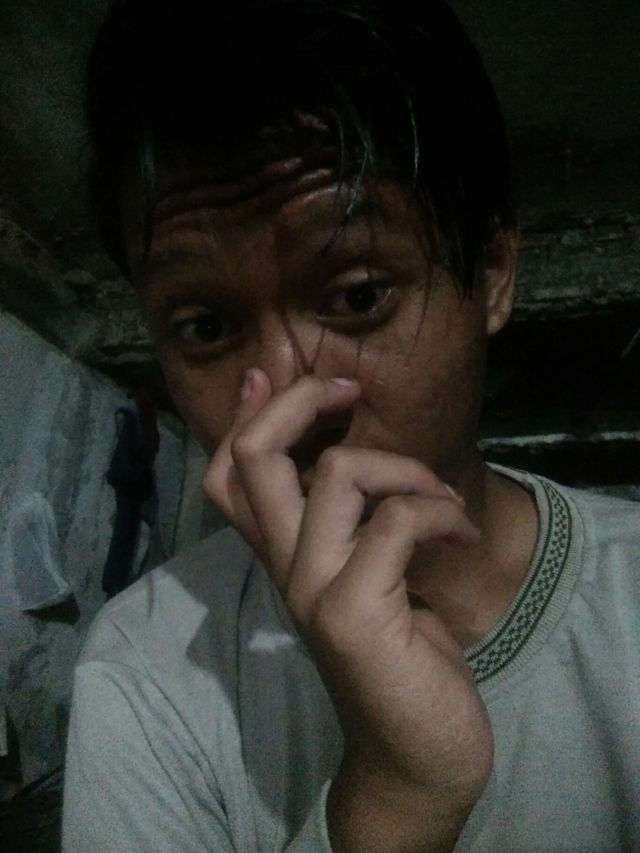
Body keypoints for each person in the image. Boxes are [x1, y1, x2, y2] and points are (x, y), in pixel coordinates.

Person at [62, 1, 640, 850]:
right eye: (206, 326)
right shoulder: (145, 663)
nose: (283, 404)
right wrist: (395, 797)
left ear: (491, 270)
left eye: (359, 293)